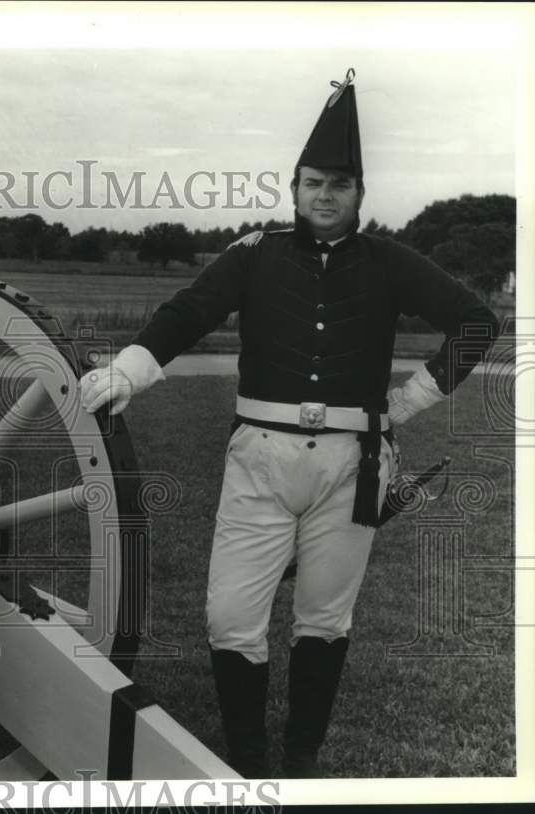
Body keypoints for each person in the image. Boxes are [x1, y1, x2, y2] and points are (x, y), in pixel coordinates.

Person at [78, 69, 499, 778]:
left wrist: (408, 402)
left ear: (360, 194)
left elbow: (477, 323)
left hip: (353, 467)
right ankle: (246, 758)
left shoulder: (391, 261)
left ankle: (298, 764)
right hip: (259, 460)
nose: (324, 197)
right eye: (312, 183)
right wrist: (129, 370)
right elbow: (188, 313)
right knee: (229, 618)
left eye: (339, 185)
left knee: (324, 621)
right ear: (293, 187)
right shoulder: (255, 254)